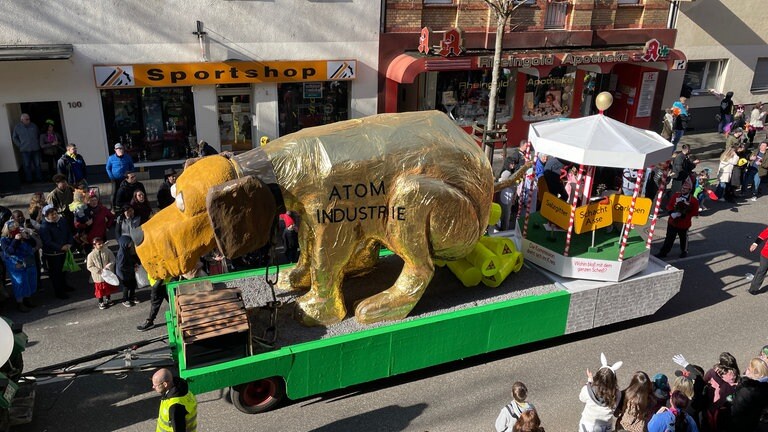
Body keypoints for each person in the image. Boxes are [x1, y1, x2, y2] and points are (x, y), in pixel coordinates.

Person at [655, 175, 699, 259]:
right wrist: (671, 213)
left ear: (689, 190)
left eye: (685, 188)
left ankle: (684, 251)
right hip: (672, 222)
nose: (683, 189)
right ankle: (663, 252)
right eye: (682, 187)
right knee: (669, 238)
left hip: (684, 224)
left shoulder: (694, 200)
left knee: (683, 239)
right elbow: (669, 205)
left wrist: (684, 213)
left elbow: (695, 212)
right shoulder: (676, 195)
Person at [0, 220, 38, 312]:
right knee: (19, 283)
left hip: (28, 261)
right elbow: (9, 251)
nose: (15, 228)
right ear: (7, 229)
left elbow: (34, 244)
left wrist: (27, 237)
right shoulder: (4, 239)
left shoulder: (22, 234)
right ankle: (20, 303)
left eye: (17, 226)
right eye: (12, 227)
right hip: (15, 263)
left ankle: (28, 299)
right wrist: (16, 240)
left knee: (30, 280)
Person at [578, 353, 622, 432]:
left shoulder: (587, 389)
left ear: (597, 376)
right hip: (605, 427)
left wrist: (589, 381)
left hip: (587, 425)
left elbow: (581, 398)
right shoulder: (617, 394)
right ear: (613, 380)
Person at [38, 205, 74, 300]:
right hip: (53, 254)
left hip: (64, 250)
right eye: (51, 215)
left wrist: (70, 243)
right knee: (56, 273)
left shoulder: (62, 220)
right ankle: (59, 291)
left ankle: (65, 286)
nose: (54, 216)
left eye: (55, 213)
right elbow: (48, 241)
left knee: (64, 270)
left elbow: (69, 232)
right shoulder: (44, 226)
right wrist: (61, 247)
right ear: (46, 216)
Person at [730, 358, 768, 431]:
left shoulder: (746, 390)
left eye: (749, 369)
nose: (746, 370)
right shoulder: (764, 387)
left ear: (755, 372)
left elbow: (736, 412)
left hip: (745, 425)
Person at [86, 237, 117, 310]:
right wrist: (98, 270)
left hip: (107, 273)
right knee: (99, 289)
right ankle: (101, 301)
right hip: (98, 276)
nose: (101, 245)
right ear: (94, 245)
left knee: (108, 287)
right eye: (99, 244)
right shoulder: (91, 255)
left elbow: (112, 260)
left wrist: (108, 267)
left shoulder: (108, 251)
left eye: (102, 243)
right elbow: (89, 266)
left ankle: (108, 298)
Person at [12, 113, 42, 183]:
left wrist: (37, 143)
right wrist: (20, 145)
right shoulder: (17, 127)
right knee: (27, 165)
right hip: (25, 150)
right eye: (26, 119)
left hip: (35, 149)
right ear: (22, 120)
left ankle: (39, 178)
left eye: (29, 119)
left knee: (37, 164)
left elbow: (38, 134)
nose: (28, 120)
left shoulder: (34, 126)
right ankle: (29, 180)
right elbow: (14, 137)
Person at [105, 143, 135, 210]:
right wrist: (111, 177)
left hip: (126, 179)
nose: (120, 150)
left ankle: (128, 206)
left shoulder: (128, 157)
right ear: (115, 150)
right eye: (118, 149)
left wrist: (130, 175)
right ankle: (113, 207)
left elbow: (132, 167)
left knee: (127, 192)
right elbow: (108, 168)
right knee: (114, 192)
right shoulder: (111, 158)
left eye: (121, 148)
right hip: (115, 179)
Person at [116, 235, 138, 307]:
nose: (131, 244)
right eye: (129, 243)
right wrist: (132, 268)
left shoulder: (126, 250)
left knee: (133, 284)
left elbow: (130, 258)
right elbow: (121, 266)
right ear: (124, 243)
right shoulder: (122, 253)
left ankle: (132, 297)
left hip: (129, 271)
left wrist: (134, 263)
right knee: (126, 286)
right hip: (124, 273)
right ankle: (125, 299)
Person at [747, 224, 768, 295]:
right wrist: (755, 244)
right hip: (766, 254)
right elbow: (763, 234)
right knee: (761, 270)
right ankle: (753, 289)